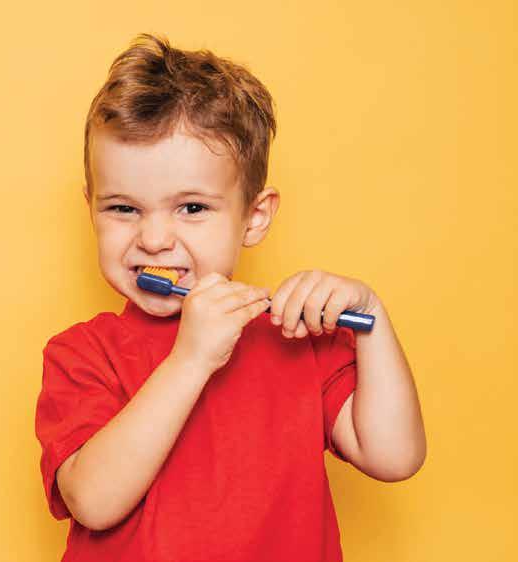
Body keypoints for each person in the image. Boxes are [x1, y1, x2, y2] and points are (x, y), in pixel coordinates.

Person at [33, 33, 426, 561]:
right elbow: (94, 501)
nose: (154, 239)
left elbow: (396, 457)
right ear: (91, 210)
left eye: (192, 208)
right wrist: (190, 359)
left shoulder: (299, 341)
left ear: (254, 217)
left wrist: (372, 319)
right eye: (123, 209)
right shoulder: (83, 354)